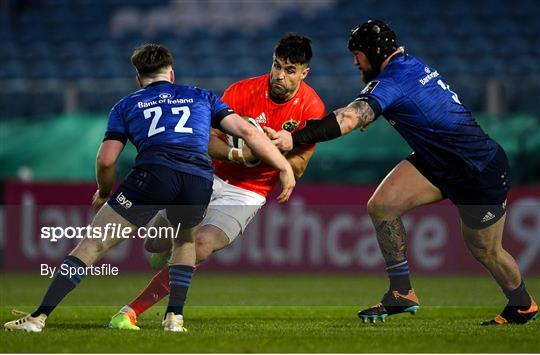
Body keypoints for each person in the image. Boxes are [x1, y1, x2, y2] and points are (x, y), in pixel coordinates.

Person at [4, 43, 295, 333]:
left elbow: (106, 160)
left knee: (93, 244)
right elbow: (246, 131)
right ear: (171, 74)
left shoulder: (126, 105)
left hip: (153, 176)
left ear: (138, 78)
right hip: (198, 179)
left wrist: (105, 192)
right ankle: (173, 319)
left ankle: (38, 318)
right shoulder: (201, 96)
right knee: (185, 243)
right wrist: (282, 166)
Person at [266, 20, 538, 325]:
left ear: (374, 52)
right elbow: (400, 102)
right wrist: (370, 109)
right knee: (382, 207)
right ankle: (401, 292)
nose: (355, 61)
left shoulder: (393, 81)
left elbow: (350, 117)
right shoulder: (407, 66)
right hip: (438, 163)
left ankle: (522, 305)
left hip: (478, 170)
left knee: (486, 250)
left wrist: (295, 137)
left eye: (358, 54)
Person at [106, 33, 326, 330]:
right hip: (209, 176)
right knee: (153, 242)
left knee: (201, 245)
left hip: (248, 193)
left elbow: (298, 168)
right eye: (276, 66)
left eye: (289, 71)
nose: (279, 75)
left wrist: (272, 149)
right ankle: (166, 256)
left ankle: (131, 311)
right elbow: (205, 139)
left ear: (304, 73)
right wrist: (239, 154)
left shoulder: (312, 108)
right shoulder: (241, 91)